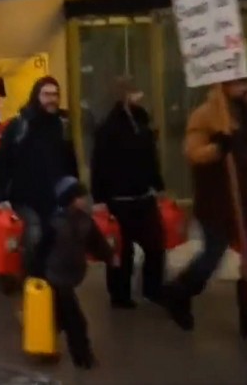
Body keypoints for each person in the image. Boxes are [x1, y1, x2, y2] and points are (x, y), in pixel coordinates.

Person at [164, 79, 247, 337]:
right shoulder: (207, 114)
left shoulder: (243, 111)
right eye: (239, 82)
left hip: (243, 195)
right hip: (218, 199)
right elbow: (193, 153)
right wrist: (218, 147)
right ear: (225, 84)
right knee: (214, 252)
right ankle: (180, 291)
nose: (244, 87)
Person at [91, 76, 166, 308]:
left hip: (142, 196)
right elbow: (99, 164)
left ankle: (152, 289)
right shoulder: (109, 127)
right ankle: (120, 294)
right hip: (119, 199)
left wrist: (157, 185)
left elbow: (150, 158)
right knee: (122, 250)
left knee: (155, 245)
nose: (139, 97)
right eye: (135, 93)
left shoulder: (142, 122)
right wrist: (99, 198)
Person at [0, 76, 79, 279]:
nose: (52, 99)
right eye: (46, 94)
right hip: (24, 198)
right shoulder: (20, 126)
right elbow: (2, 162)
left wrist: (75, 192)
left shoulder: (62, 126)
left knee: (58, 238)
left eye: (55, 94)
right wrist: (0, 197)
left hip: (54, 198)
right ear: (36, 96)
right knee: (34, 235)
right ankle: (31, 280)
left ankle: (51, 282)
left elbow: (70, 162)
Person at [46, 176, 115, 370]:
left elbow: (96, 243)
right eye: (79, 196)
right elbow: (41, 250)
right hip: (55, 276)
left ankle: (46, 345)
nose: (84, 200)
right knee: (75, 321)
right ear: (70, 199)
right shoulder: (53, 223)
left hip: (70, 275)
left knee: (59, 317)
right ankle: (82, 356)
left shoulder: (84, 221)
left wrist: (109, 257)